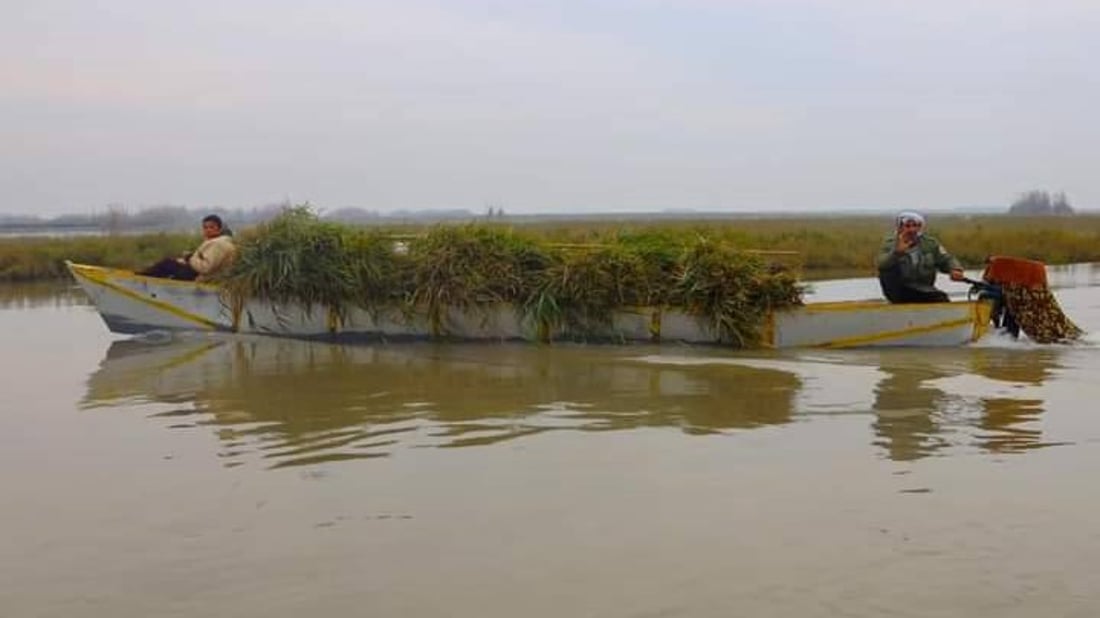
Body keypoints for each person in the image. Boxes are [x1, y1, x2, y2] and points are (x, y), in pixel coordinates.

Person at [876, 211, 964, 303]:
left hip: (923, 288)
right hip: (899, 290)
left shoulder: (930, 243)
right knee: (888, 269)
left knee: (941, 298)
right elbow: (881, 264)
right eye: (907, 226)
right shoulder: (890, 243)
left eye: (915, 226)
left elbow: (946, 259)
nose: (912, 230)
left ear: (920, 227)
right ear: (900, 228)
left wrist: (955, 269)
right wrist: (897, 253)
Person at [138, 214, 236, 282]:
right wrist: (187, 259)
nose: (208, 230)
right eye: (205, 227)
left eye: (211, 227)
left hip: (203, 277)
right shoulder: (221, 241)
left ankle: (141, 279)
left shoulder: (218, 244)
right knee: (173, 264)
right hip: (205, 274)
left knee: (167, 264)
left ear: (219, 229)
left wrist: (190, 258)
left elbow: (205, 268)